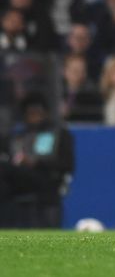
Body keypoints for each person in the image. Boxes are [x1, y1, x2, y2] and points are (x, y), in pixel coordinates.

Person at [0, 93, 74, 227]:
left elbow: (67, 164)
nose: (34, 117)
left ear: (45, 113)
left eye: (37, 112)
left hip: (47, 178)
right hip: (18, 180)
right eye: (30, 113)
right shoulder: (18, 137)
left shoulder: (58, 135)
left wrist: (36, 162)